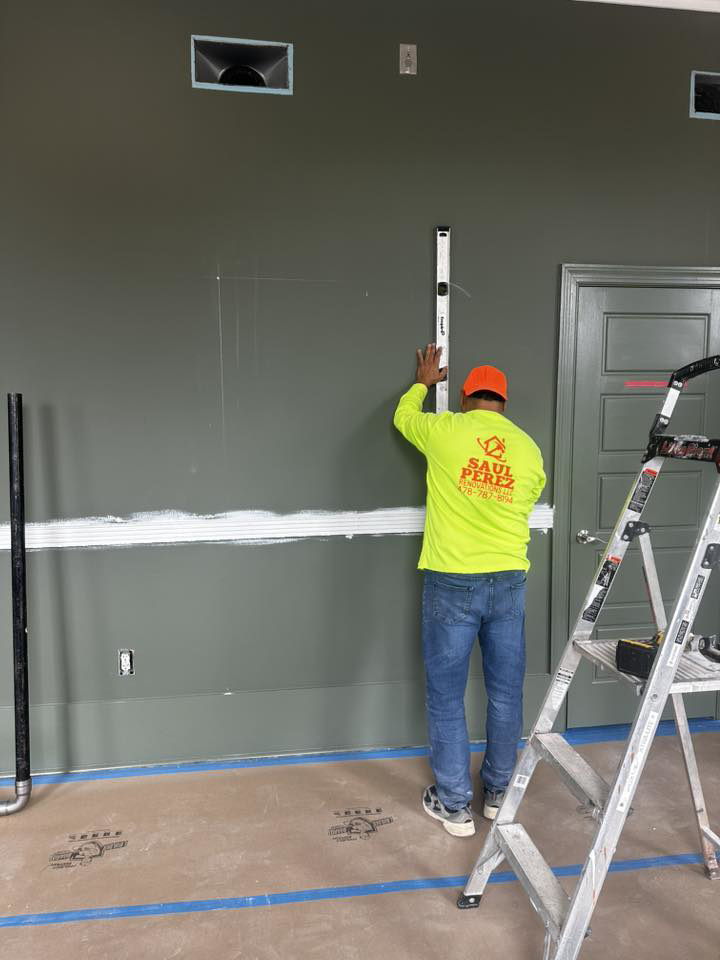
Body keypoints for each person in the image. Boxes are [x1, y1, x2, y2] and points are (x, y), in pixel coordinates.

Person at [393, 344, 545, 837]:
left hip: (452, 581)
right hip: (509, 582)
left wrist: (422, 381)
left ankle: (455, 804)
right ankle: (498, 794)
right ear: (503, 402)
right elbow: (529, 496)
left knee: (445, 695)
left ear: (463, 397)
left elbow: (402, 417)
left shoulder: (446, 432)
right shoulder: (527, 449)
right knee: (505, 691)